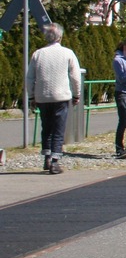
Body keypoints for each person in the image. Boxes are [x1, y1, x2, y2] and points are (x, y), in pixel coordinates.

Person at [26, 23, 82, 175]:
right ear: (60, 37)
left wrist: (31, 95)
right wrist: (77, 94)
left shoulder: (38, 54)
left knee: (46, 127)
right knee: (58, 128)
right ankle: (55, 161)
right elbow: (76, 77)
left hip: (42, 96)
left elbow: (30, 77)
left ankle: (47, 157)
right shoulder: (67, 53)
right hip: (61, 96)